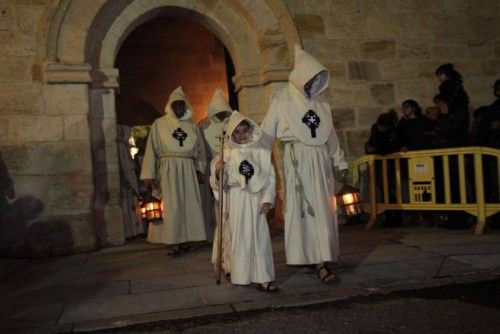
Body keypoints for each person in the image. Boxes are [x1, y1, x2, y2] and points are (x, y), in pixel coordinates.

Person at [261, 44, 348, 283]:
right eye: (309, 79)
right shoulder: (282, 99)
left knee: (323, 209)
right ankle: (318, 261)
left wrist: (339, 161)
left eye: (316, 80)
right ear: (300, 79)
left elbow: (330, 134)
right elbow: (266, 134)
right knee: (307, 210)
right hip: (298, 161)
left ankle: (322, 255)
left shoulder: (321, 103)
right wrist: (250, 156)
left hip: (320, 162)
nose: (313, 85)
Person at [211, 112, 278, 292]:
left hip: (255, 201)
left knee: (259, 238)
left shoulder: (261, 153)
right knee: (238, 237)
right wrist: (218, 172)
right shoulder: (225, 155)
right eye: (237, 132)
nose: (241, 135)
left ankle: (263, 277)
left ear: (251, 131)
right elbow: (218, 185)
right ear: (231, 134)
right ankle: (240, 274)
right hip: (235, 201)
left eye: (244, 131)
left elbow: (270, 179)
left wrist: (267, 200)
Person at [140, 86, 207, 254]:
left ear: (186, 106)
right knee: (172, 206)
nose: (179, 108)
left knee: (188, 204)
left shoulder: (192, 127)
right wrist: (149, 174)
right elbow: (151, 149)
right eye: (176, 105)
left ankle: (187, 239)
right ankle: (173, 241)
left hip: (187, 168)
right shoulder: (159, 124)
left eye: (181, 105)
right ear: (170, 106)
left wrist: (200, 169)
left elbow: (200, 150)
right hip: (167, 169)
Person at [198, 88, 233, 242]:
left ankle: (229, 231)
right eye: (218, 112)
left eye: (223, 112)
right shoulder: (203, 125)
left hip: (229, 165)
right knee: (211, 201)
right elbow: (199, 148)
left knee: (227, 199)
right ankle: (213, 233)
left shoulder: (232, 123)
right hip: (210, 166)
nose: (221, 115)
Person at [435, 63, 470, 139]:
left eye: (441, 74)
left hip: (455, 115)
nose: (439, 77)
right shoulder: (455, 84)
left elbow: (447, 98)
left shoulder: (450, 85)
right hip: (458, 114)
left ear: (447, 74)